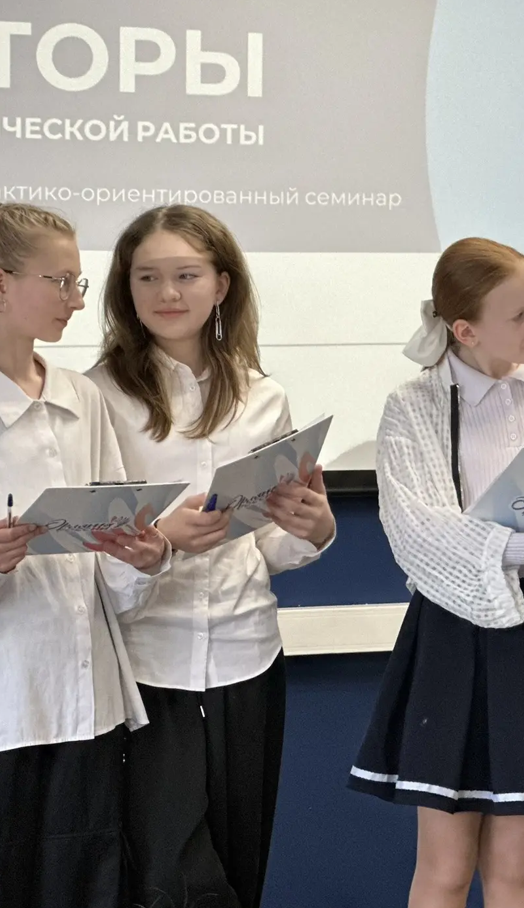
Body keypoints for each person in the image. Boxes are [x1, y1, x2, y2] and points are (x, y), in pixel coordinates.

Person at [349, 237, 524, 908]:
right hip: (456, 637)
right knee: (446, 868)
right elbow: (419, 532)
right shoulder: (415, 405)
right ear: (465, 330)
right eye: (519, 314)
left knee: (515, 866)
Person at [88, 205, 336, 908]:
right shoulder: (98, 396)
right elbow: (86, 552)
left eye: (187, 275)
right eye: (148, 277)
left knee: (238, 865)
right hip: (145, 667)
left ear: (222, 285)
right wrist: (159, 543)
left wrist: (312, 530)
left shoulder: (263, 396)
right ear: (126, 288)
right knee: (164, 880)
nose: (168, 293)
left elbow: (268, 545)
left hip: (247, 658)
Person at [0, 203, 169, 908]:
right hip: (10, 703)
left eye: (79, 282)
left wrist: (142, 555)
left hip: (86, 703)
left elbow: (111, 561)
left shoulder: (80, 396)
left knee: (88, 882)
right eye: (59, 281)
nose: (75, 300)